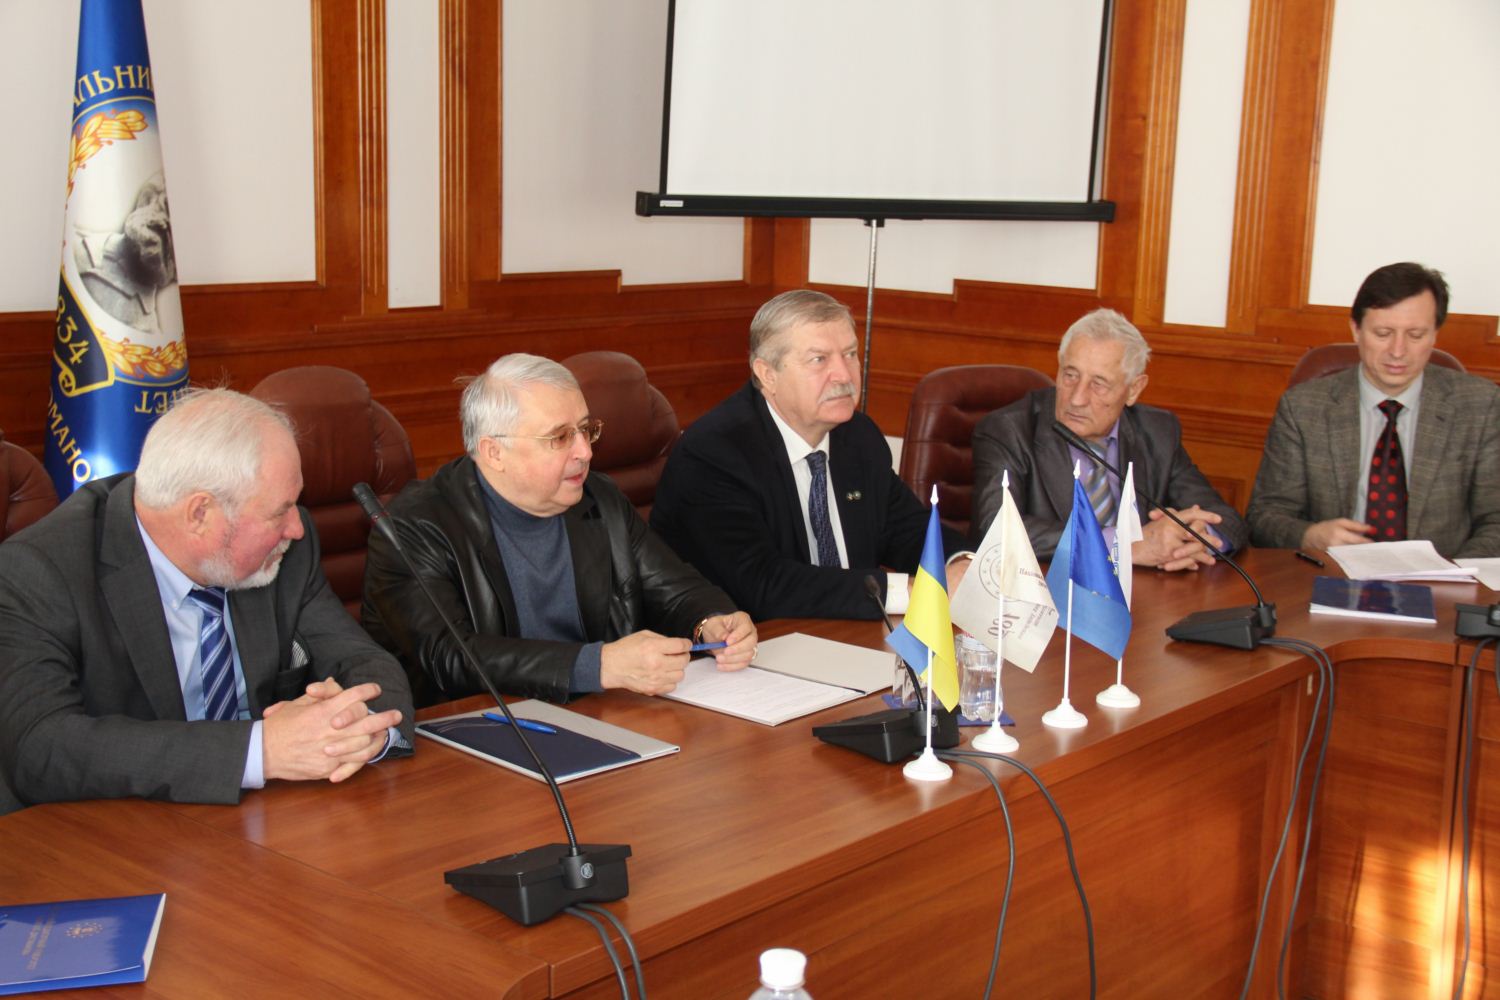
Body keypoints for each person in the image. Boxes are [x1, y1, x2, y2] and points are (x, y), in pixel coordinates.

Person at [0, 389, 412, 815]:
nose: (297, 528)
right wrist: (261, 750)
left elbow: (363, 661)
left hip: (264, 819)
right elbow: (39, 746)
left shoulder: (283, 550)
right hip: (111, 827)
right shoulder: (40, 572)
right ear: (200, 514)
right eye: (279, 512)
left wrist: (361, 726)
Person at [361, 354, 756, 706]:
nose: (585, 451)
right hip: (472, 727)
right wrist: (597, 666)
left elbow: (675, 588)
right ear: (494, 452)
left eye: (585, 430)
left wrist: (711, 621)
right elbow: (452, 657)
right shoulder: (414, 527)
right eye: (561, 437)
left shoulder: (597, 497)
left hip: (596, 712)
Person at [651, 289, 967, 621]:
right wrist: (912, 593)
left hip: (844, 634)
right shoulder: (714, 454)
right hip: (749, 643)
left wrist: (959, 563)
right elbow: (764, 585)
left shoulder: (857, 436)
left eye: (850, 354)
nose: (844, 375)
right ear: (767, 374)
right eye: (819, 360)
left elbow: (907, 529)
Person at [1247, 262, 1500, 557]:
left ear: (1435, 334)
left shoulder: (1480, 405)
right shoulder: (1303, 408)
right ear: (1356, 330)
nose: (1398, 351)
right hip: (1333, 574)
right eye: (1383, 333)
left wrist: (1451, 574)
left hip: (1444, 577)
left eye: (1415, 335)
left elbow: (1496, 521)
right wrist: (1309, 535)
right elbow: (1264, 517)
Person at [971, 308, 1247, 569]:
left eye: (1099, 384)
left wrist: (1192, 538)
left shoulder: (1158, 432)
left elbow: (1224, 518)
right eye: (1070, 375)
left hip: (1145, 593)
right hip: (1049, 592)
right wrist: (1123, 546)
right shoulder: (1009, 430)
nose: (1077, 398)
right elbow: (997, 529)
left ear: (1134, 389)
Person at [73, 175, 178, 334]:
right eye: (168, 208)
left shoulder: (148, 332)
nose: (169, 229)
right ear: (147, 200)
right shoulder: (77, 249)